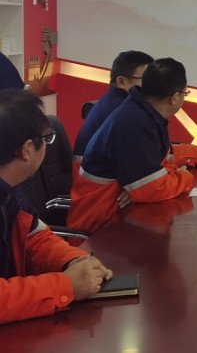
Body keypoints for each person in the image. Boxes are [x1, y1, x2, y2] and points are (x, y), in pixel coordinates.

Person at [0, 89, 113, 324]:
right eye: (46, 137)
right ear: (27, 149)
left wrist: (73, 260)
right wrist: (65, 285)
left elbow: (34, 236)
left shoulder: (11, 192)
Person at [68, 58, 197, 233]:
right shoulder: (134, 121)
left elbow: (160, 160)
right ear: (174, 98)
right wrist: (186, 177)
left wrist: (195, 155)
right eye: (185, 93)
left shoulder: (146, 112)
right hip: (100, 228)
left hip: (119, 217)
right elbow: (151, 188)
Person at [73, 50, 154, 158]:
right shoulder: (125, 111)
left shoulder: (114, 99)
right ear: (122, 82)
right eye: (146, 79)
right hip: (96, 168)